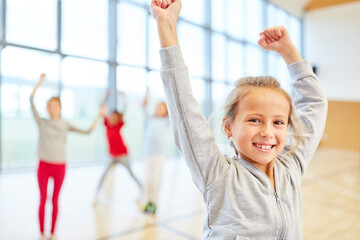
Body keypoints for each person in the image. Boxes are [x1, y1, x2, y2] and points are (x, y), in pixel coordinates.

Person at [150, 0, 328, 239]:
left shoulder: (291, 165)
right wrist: (167, 27)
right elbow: (184, 111)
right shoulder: (217, 174)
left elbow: (315, 103)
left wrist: (289, 52)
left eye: (278, 122)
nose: (267, 131)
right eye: (255, 120)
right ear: (228, 127)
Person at [30, 73, 101, 240]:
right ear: (47, 108)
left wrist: (99, 115)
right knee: (42, 200)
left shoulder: (65, 125)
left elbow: (88, 131)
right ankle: (42, 233)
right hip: (43, 166)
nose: (52, 109)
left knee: (54, 200)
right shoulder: (42, 122)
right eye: (49, 106)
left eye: (55, 106)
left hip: (60, 167)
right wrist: (39, 82)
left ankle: (53, 233)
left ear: (60, 108)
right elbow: (30, 100)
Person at [93, 92, 142, 205]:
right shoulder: (107, 124)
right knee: (104, 174)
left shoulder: (119, 125)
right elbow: (101, 107)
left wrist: (124, 97)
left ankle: (141, 191)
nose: (113, 118)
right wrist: (106, 97)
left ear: (118, 118)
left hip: (122, 155)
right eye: (112, 116)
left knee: (131, 173)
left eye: (115, 117)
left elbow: (125, 109)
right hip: (111, 156)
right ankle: (96, 195)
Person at [140, 86, 169, 214]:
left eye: (161, 108)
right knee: (148, 181)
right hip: (148, 155)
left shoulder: (167, 120)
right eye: (157, 107)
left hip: (159, 156)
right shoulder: (150, 118)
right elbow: (143, 106)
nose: (158, 110)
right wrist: (147, 95)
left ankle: (154, 204)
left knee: (156, 181)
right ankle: (148, 202)